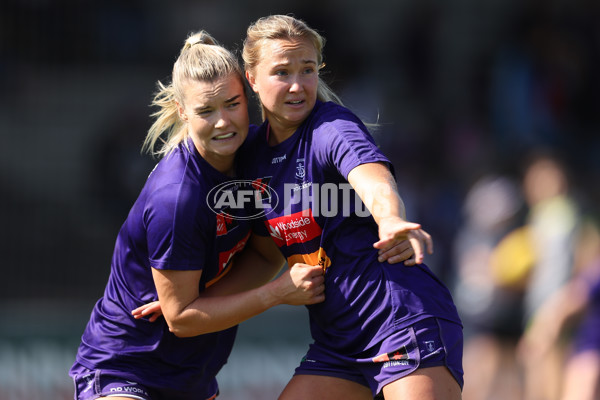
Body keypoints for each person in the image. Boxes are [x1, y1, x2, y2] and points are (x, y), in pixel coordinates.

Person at [69, 31, 328, 400]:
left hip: (193, 378)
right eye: (206, 111)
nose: (223, 122)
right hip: (125, 368)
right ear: (182, 111)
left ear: (248, 95)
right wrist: (276, 294)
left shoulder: (256, 158)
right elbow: (180, 321)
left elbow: (264, 255)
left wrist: (205, 298)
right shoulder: (177, 196)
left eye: (232, 104)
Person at [239, 14, 464, 400]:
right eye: (281, 72)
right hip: (339, 343)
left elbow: (372, 179)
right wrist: (198, 299)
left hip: (401, 321)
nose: (297, 85)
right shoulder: (253, 155)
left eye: (307, 70)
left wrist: (390, 218)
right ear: (251, 79)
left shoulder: (332, 126)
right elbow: (262, 258)